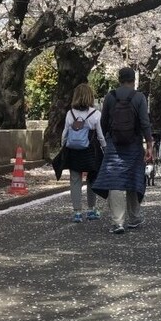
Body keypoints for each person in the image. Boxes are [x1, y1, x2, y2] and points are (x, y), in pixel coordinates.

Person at [93, 67, 154, 235]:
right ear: (133, 80)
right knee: (134, 179)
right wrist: (149, 144)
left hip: (114, 145)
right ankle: (134, 217)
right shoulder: (139, 97)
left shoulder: (110, 97)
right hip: (134, 143)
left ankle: (118, 222)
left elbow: (103, 122)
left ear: (119, 79)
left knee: (115, 181)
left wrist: (106, 140)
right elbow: (144, 123)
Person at [61, 83, 107, 223]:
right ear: (90, 97)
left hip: (74, 151)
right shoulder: (96, 114)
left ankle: (77, 212)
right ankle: (91, 210)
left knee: (75, 179)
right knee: (92, 179)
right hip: (91, 151)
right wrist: (105, 148)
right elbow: (100, 135)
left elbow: (65, 133)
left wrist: (63, 145)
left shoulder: (70, 113)